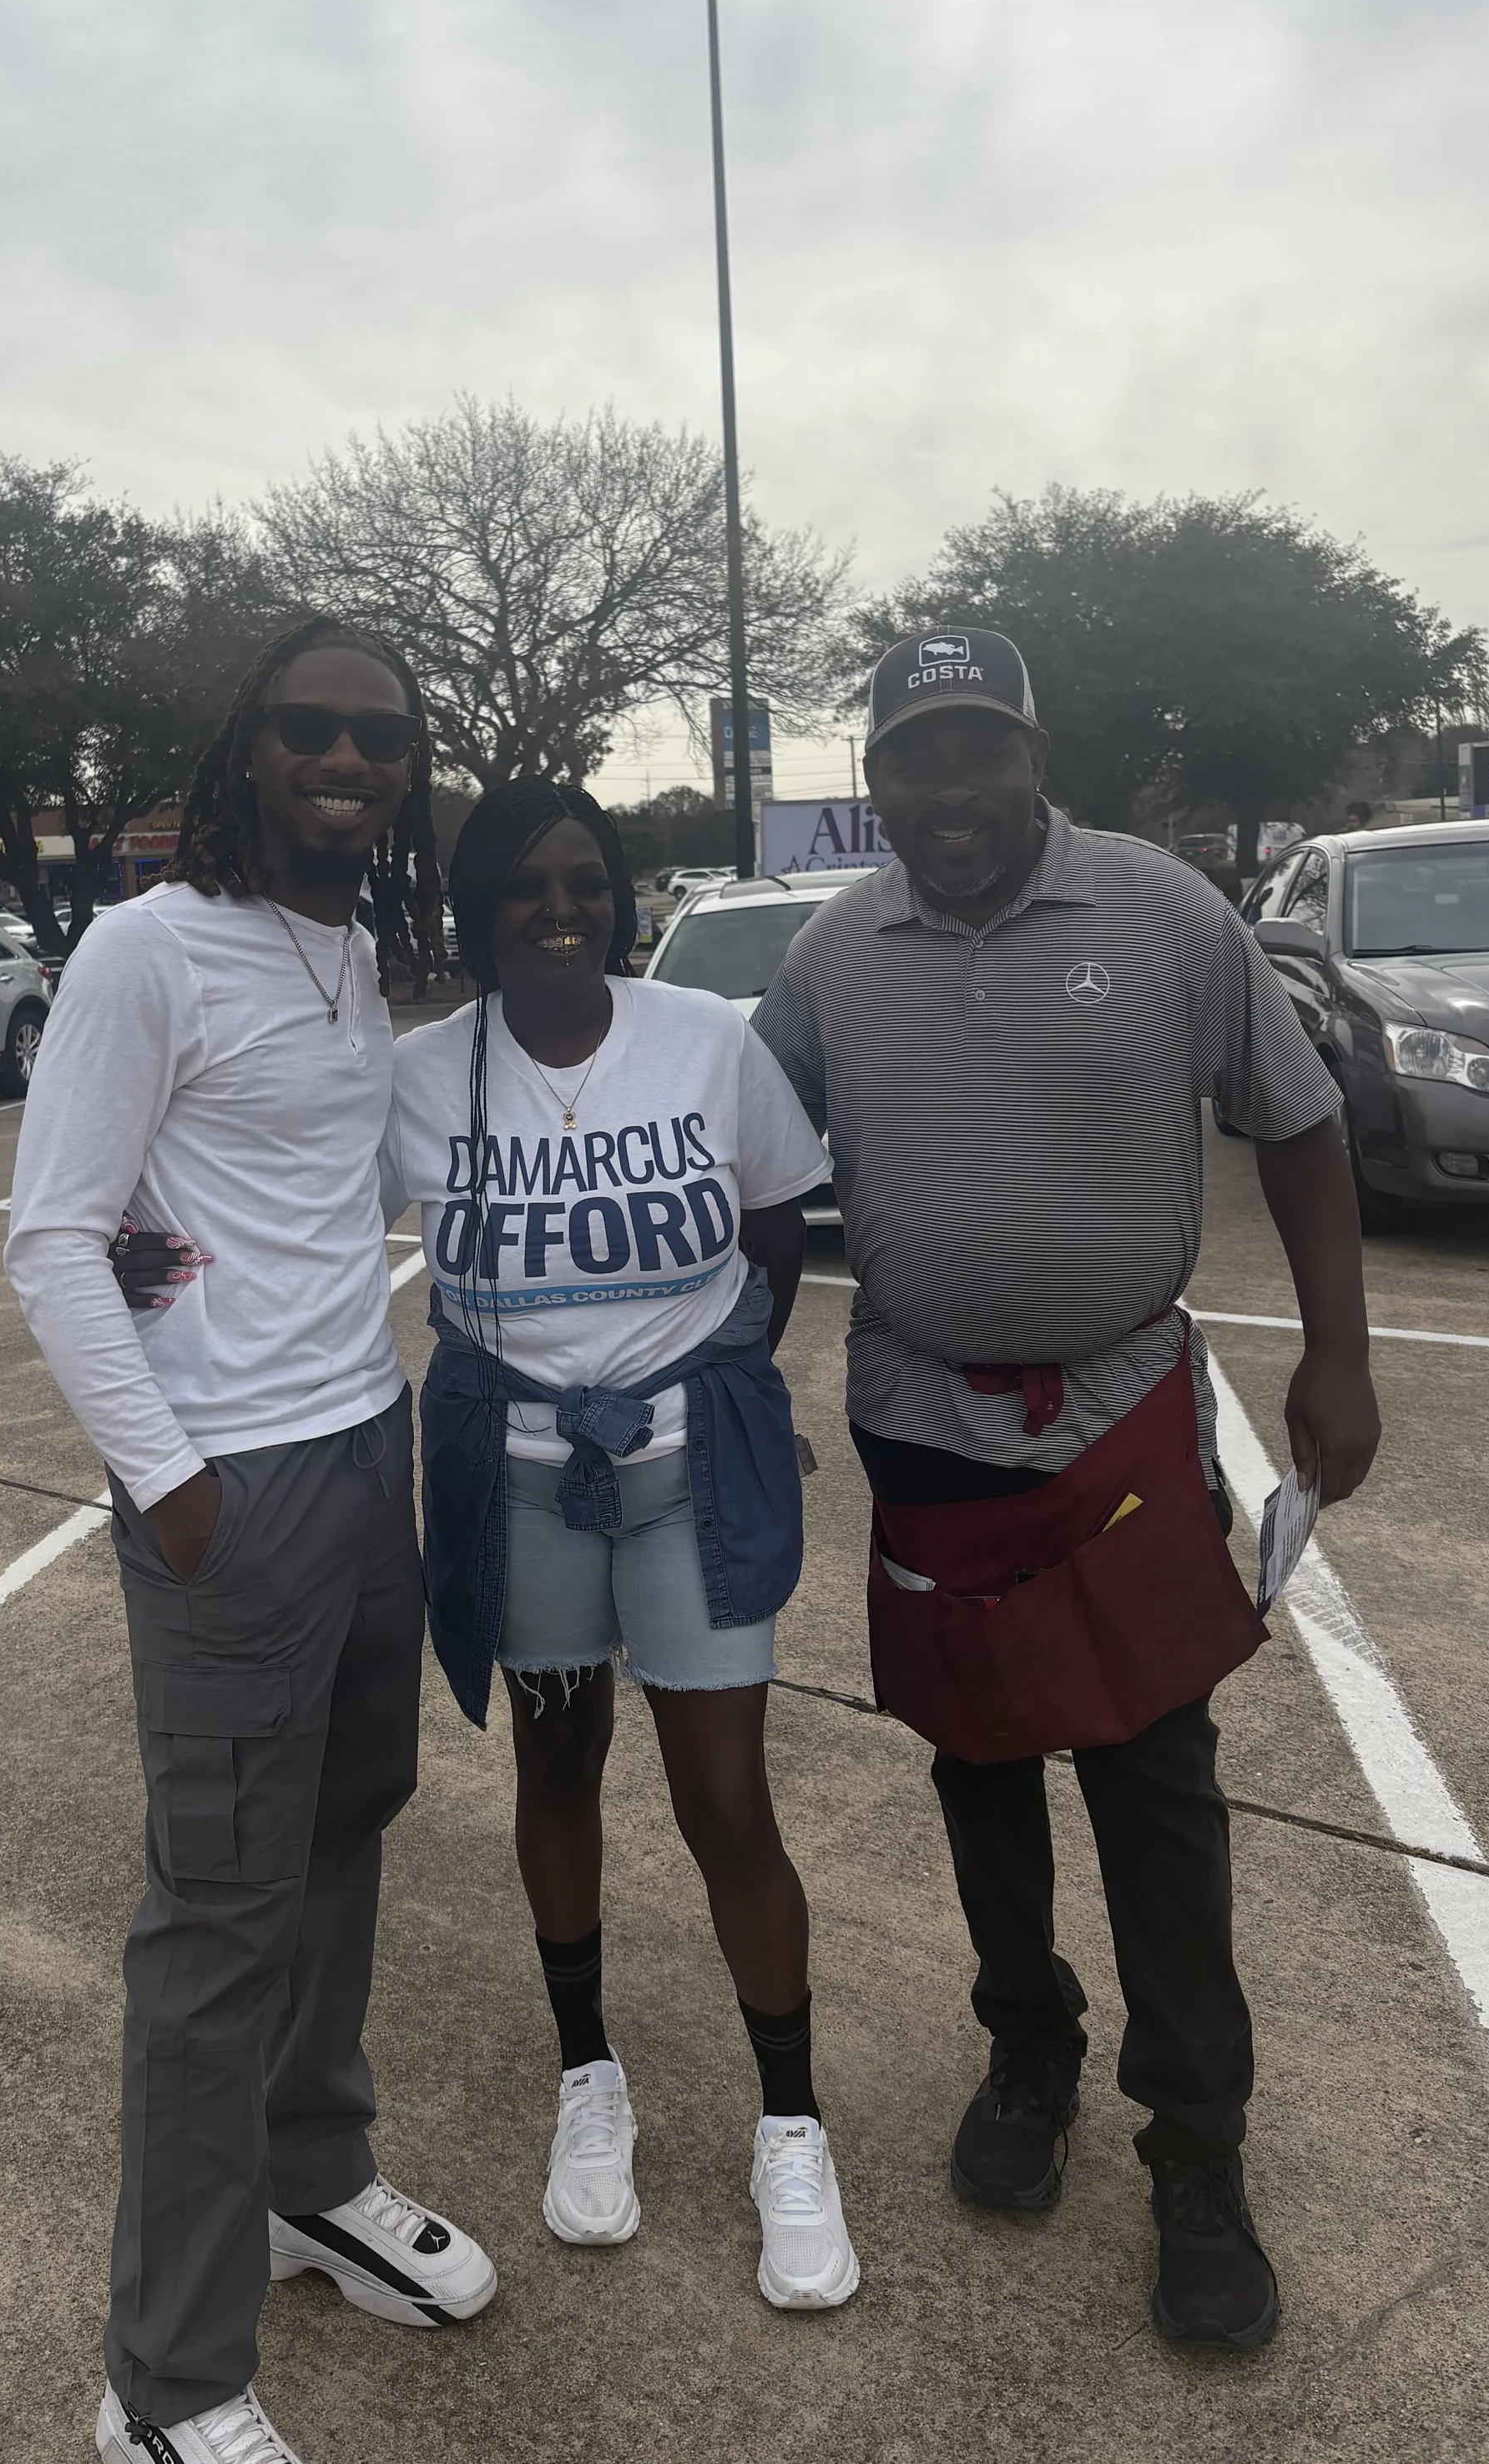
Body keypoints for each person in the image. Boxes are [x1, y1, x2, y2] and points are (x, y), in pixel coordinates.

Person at [752, 627, 1380, 2354]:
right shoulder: (824, 958)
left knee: (1153, 1775)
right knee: (978, 1761)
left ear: (1031, 758)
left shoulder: (1163, 912)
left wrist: (1335, 1350)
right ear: (868, 783)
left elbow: (1298, 1122)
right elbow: (738, 1164)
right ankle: (1026, 2043)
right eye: (909, 762)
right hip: (922, 1423)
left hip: (1115, 1414)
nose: (945, 794)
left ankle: (1195, 2142)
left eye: (977, 753)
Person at [5, 619, 497, 2464]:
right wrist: (174, 1481)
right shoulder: (142, 951)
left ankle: (312, 2180)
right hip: (231, 1490)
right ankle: (168, 2378)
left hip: (366, 1449)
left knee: (342, 1838)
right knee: (211, 1924)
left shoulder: (352, 948)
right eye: (309, 729)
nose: (345, 761)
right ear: (249, 748)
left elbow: (336, 1175)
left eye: (377, 737)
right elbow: (52, 1234)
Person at [383, 778, 861, 2312]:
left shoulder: (705, 1043)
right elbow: (282, 1200)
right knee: (556, 1769)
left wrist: (720, 1370)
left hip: (684, 1479)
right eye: (527, 884)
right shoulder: (417, 1077)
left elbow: (778, 1213)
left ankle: (791, 2124)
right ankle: (591, 2075)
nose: (561, 906)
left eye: (586, 878)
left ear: (621, 895)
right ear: (481, 910)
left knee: (730, 1803)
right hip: (516, 1481)